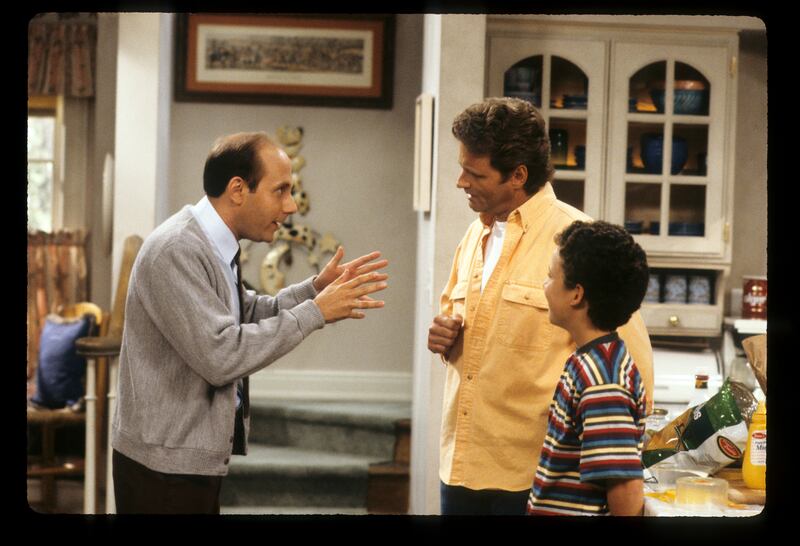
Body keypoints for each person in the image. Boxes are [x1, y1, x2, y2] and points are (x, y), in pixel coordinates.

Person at [111, 131, 389, 514]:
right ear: (238, 189)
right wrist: (316, 312)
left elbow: (246, 313)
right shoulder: (178, 250)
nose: (291, 205)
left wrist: (314, 290)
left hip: (181, 462)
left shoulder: (211, 243)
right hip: (164, 470)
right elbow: (221, 355)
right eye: (280, 191)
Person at [427, 97, 653, 515]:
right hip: (461, 468)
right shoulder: (473, 237)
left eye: (475, 174)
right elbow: (465, 333)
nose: (461, 182)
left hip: (538, 481)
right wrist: (445, 338)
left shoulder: (576, 242)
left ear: (518, 175)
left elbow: (631, 370)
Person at [527, 220, 649, 516]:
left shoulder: (602, 380)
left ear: (576, 294)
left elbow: (624, 488)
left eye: (550, 276)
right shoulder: (589, 360)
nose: (544, 285)